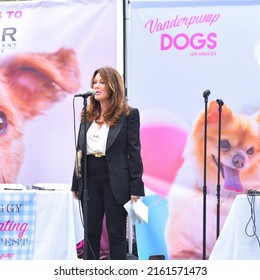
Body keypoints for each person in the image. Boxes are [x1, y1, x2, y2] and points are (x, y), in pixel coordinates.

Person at [71, 66, 145, 260]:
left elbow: (134, 153)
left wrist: (136, 187)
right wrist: (76, 182)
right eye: (94, 82)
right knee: (90, 234)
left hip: (116, 181)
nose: (96, 86)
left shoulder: (128, 115)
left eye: (101, 82)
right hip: (90, 180)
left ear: (113, 86)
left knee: (116, 234)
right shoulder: (87, 115)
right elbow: (80, 152)